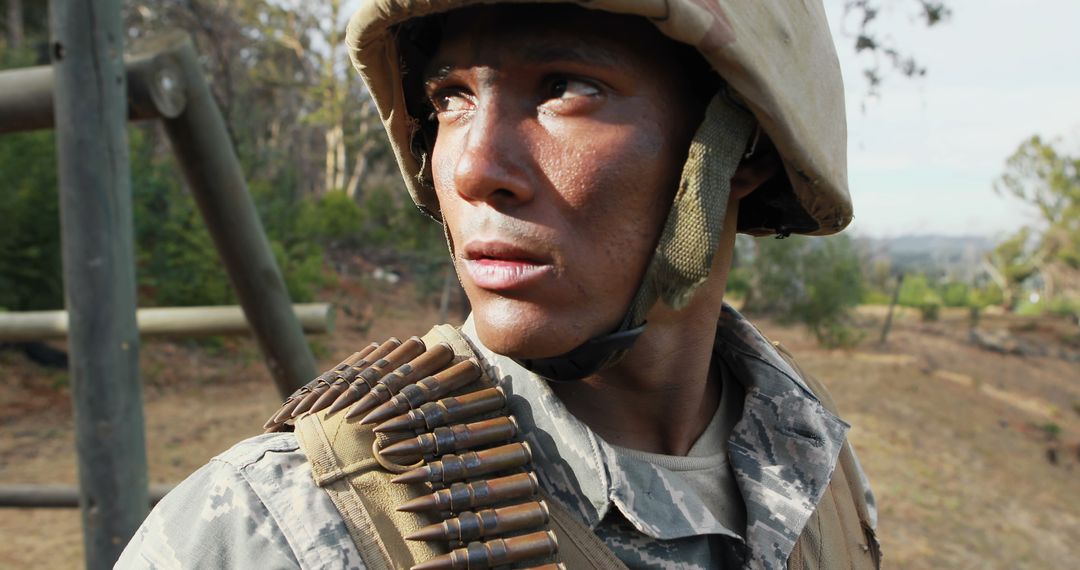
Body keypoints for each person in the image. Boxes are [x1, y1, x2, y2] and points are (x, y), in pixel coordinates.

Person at [118, 1, 879, 569]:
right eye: (450, 96)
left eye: (565, 88)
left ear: (735, 144)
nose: (476, 168)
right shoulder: (275, 527)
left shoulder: (811, 457)